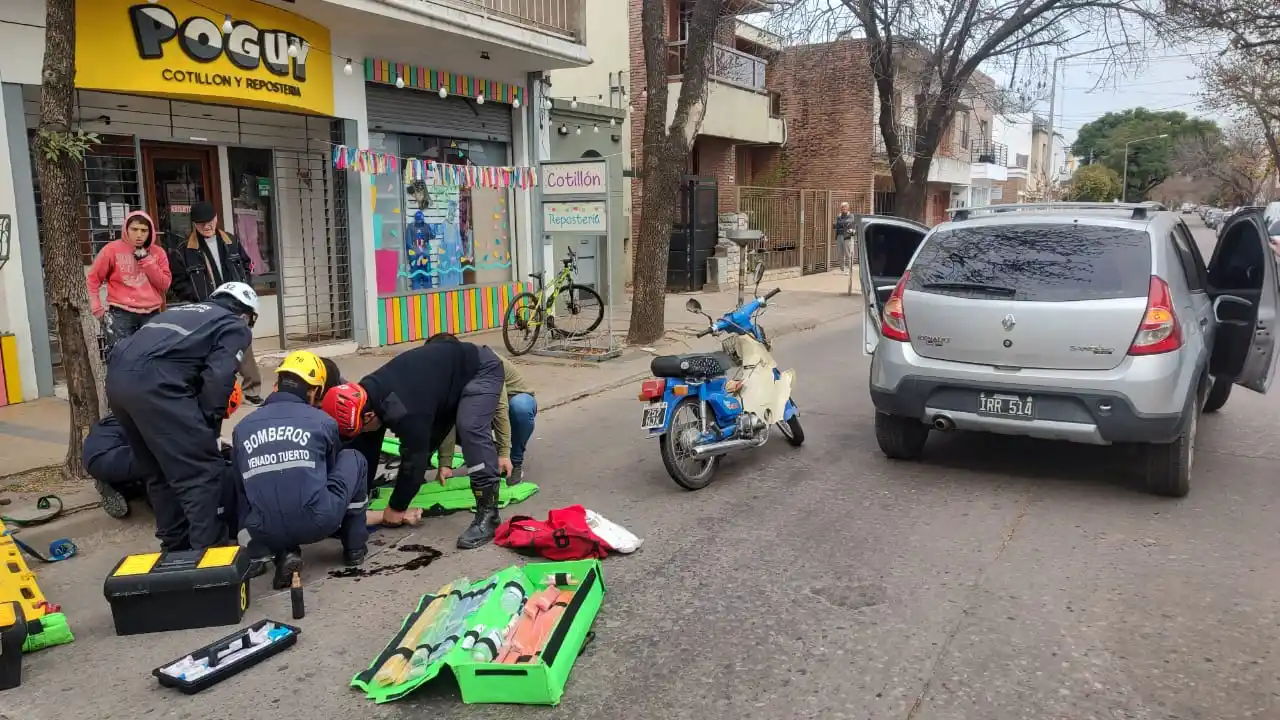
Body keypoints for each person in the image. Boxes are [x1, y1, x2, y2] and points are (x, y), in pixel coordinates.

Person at [104, 281, 258, 552]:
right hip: (157, 386)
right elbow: (219, 377)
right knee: (202, 473)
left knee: (158, 473)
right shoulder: (233, 325)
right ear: (246, 315)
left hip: (118, 383)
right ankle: (208, 561)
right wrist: (207, 428)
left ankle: (175, 552)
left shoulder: (178, 312)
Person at [323, 339, 506, 549]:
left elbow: (414, 458)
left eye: (362, 426)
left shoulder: (406, 410)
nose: (363, 431)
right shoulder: (365, 396)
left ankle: (488, 513)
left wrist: (396, 506)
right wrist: (355, 502)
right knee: (415, 439)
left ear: (369, 415)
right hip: (442, 382)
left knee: (469, 428)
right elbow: (366, 444)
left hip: (480, 368)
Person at [233, 351, 373, 589]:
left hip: (262, 530)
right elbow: (329, 473)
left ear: (277, 385)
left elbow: (242, 489)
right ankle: (354, 547)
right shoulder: (322, 422)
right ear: (314, 391)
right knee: (353, 459)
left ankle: (277, 554)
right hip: (317, 522)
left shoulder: (242, 428)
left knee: (263, 485)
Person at [85, 386, 243, 528]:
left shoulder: (175, 398)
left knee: (164, 462)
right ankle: (117, 484)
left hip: (104, 450)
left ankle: (124, 487)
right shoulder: (175, 411)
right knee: (170, 468)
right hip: (108, 453)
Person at [168, 201, 264, 405]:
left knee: (242, 341)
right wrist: (195, 297)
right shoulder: (184, 249)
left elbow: (246, 264)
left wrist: (246, 286)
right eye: (201, 223)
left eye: (210, 221)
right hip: (207, 305)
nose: (207, 226)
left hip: (236, 302)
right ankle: (217, 391)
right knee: (211, 349)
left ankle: (252, 389)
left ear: (216, 218)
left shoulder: (231, 240)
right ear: (194, 224)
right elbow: (177, 283)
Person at [425, 333, 538, 484]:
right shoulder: (446, 370)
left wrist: (505, 454)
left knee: (519, 408)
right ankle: (491, 453)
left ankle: (515, 460)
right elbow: (447, 416)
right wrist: (445, 463)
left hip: (512, 400)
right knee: (460, 419)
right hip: (481, 403)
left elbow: (500, 408)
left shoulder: (486, 361)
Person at [87, 211, 171, 350]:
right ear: (126, 229)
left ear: (150, 232)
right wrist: (97, 309)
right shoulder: (111, 250)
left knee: (151, 358)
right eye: (134, 229)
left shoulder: (158, 252)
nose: (139, 235)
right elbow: (93, 280)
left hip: (151, 313)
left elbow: (164, 284)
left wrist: (146, 260)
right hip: (121, 313)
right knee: (120, 358)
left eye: (144, 230)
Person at [833, 202, 857, 273]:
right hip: (839, 236)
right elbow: (837, 225)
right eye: (842, 207)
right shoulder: (839, 216)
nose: (843, 209)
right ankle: (842, 269)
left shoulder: (851, 216)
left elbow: (846, 223)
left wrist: (840, 224)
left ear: (848, 208)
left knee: (848, 254)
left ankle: (849, 269)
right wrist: (840, 224)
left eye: (845, 207)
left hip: (847, 236)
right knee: (840, 254)